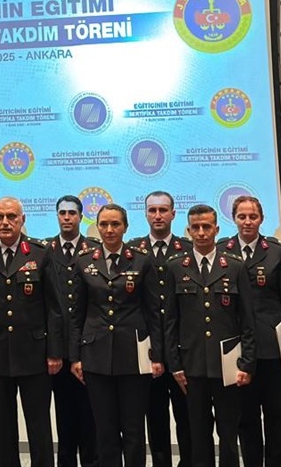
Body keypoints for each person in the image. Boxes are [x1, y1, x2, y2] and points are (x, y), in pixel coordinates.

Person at [0, 196, 63, 467]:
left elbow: (55, 308)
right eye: (0, 217)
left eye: (11, 217)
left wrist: (55, 352)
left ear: (22, 220)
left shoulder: (41, 253)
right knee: (3, 427)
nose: (5, 222)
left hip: (34, 354)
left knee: (39, 425)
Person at [70, 203, 164, 467]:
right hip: (96, 355)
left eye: (115, 224)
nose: (109, 230)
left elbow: (153, 312)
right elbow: (76, 313)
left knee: (133, 428)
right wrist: (75, 356)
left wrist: (157, 355)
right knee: (105, 428)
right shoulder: (84, 261)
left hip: (134, 355)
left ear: (125, 227)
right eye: (104, 224)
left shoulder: (142, 260)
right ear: (97, 227)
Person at [164, 204, 255, 467]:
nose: (201, 232)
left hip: (227, 366)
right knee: (198, 433)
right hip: (192, 366)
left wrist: (247, 364)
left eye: (206, 227)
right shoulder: (175, 267)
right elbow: (170, 321)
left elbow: (247, 320)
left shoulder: (235, 267)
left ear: (216, 229)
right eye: (196, 227)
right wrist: (175, 365)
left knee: (228, 432)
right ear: (188, 231)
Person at [218, 196, 281, 467]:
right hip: (237, 347)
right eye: (242, 217)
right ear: (233, 219)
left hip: (271, 346)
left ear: (261, 219)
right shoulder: (222, 250)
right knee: (246, 415)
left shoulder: (276, 251)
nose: (247, 222)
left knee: (275, 413)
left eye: (252, 216)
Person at [127, 191, 192, 467]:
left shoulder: (188, 249)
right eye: (152, 210)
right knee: (155, 419)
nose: (157, 215)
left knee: (187, 417)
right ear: (145, 214)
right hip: (148, 349)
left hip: (182, 349)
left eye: (163, 210)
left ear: (173, 214)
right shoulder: (132, 251)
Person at [48, 195, 99, 467]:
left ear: (81, 217)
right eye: (62, 213)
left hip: (89, 347)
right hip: (57, 349)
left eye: (72, 213)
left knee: (90, 416)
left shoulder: (95, 250)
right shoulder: (44, 250)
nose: (67, 217)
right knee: (64, 417)